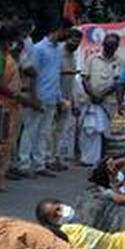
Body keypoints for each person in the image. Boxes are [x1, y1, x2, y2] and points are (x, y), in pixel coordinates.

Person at [0, 24, 38, 192]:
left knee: (5, 145)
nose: (15, 45)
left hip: (10, 105)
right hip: (1, 104)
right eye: (13, 41)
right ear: (6, 40)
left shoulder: (4, 55)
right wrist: (21, 97)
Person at [15, 21, 72, 178]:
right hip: (38, 96)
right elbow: (31, 73)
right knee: (30, 131)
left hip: (51, 97)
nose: (67, 35)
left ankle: (40, 164)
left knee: (44, 133)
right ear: (57, 30)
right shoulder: (39, 49)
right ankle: (24, 165)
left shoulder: (57, 50)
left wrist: (59, 98)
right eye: (66, 31)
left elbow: (55, 75)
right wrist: (33, 97)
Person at [35, 198, 125, 249]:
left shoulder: (85, 210)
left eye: (59, 209)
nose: (61, 214)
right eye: (55, 216)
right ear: (51, 224)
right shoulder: (64, 235)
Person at [80, 33, 125, 167]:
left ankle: (102, 160)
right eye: (108, 43)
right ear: (103, 44)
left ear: (117, 47)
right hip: (90, 101)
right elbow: (84, 79)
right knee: (89, 130)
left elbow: (118, 83)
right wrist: (93, 95)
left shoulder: (121, 62)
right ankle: (88, 158)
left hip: (108, 103)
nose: (110, 46)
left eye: (113, 44)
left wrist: (102, 95)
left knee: (105, 132)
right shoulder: (92, 59)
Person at [51, 28, 84, 171]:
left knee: (60, 130)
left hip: (66, 97)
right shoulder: (57, 52)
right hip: (53, 97)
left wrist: (74, 102)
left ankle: (55, 157)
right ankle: (47, 159)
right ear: (66, 39)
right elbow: (52, 77)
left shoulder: (72, 56)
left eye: (78, 42)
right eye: (73, 40)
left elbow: (72, 82)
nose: (75, 44)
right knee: (50, 130)